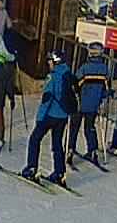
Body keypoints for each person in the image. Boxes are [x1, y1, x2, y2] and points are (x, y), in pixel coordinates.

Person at [23, 49, 77, 184]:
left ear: (55, 62)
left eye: (50, 61)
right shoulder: (68, 74)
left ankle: (31, 168)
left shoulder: (52, 77)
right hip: (63, 116)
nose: (48, 64)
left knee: (34, 139)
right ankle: (59, 172)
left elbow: (47, 99)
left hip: (50, 115)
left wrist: (40, 118)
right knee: (57, 143)